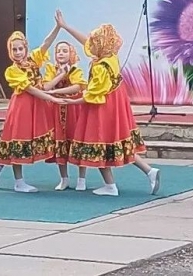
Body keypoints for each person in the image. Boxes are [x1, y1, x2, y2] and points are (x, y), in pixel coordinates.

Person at [57, 13, 161, 196]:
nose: (90, 45)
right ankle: (148, 171)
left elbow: (93, 95)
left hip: (101, 107)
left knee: (97, 143)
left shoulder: (100, 67)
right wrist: (66, 27)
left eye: (94, 43)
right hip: (114, 105)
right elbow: (86, 42)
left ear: (100, 45)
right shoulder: (110, 57)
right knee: (116, 143)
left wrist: (73, 101)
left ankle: (110, 186)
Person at [0, 11, 65, 193]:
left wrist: (58, 27)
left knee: (19, 139)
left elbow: (46, 43)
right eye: (14, 49)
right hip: (22, 106)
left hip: (36, 105)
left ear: (26, 48)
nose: (17, 53)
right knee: (18, 138)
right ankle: (18, 181)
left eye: (20, 49)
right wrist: (52, 98)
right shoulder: (12, 71)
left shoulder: (33, 61)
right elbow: (31, 89)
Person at [43, 41, 88, 191]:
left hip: (74, 109)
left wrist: (56, 92)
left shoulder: (75, 69)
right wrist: (61, 75)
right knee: (59, 142)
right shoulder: (51, 68)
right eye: (58, 51)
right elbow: (46, 86)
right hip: (56, 110)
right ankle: (64, 179)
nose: (61, 53)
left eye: (65, 51)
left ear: (71, 54)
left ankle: (81, 179)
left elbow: (77, 86)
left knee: (78, 141)